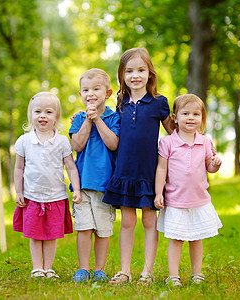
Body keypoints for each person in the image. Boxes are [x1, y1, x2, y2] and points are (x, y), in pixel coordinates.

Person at [104, 48, 174, 284]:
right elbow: (109, 126)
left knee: (149, 221)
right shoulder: (121, 102)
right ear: (122, 75)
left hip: (148, 173)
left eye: (141, 70)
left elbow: (174, 132)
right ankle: (125, 271)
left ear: (150, 74)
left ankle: (147, 271)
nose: (135, 75)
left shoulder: (159, 103)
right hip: (124, 172)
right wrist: (81, 117)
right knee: (127, 222)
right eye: (130, 71)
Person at [154, 94, 222, 287]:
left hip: (199, 200)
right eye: (185, 113)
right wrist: (159, 193)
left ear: (202, 118)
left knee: (196, 238)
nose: (191, 118)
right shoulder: (167, 142)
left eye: (196, 114)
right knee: (176, 238)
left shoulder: (205, 142)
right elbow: (161, 169)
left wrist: (215, 164)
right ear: (175, 116)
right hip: (176, 200)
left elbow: (210, 166)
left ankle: (196, 273)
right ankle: (173, 275)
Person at [13, 92, 82, 280]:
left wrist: (76, 189)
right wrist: (19, 191)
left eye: (48, 112)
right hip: (32, 197)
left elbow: (71, 167)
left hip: (56, 197)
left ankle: (48, 268)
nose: (43, 115)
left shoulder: (61, 141)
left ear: (56, 117)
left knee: (51, 235)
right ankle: (37, 268)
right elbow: (19, 168)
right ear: (31, 115)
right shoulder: (24, 141)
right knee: (35, 235)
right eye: (38, 111)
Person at [69, 68, 120, 282]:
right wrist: (88, 120)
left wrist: (98, 119)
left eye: (96, 89)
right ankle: (83, 268)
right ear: (80, 94)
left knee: (102, 230)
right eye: (85, 90)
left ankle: (99, 269)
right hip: (82, 185)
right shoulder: (78, 119)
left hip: (105, 185)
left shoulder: (113, 117)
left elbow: (114, 143)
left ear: (107, 93)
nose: (90, 93)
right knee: (83, 228)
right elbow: (77, 146)